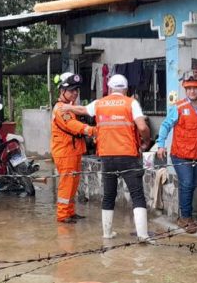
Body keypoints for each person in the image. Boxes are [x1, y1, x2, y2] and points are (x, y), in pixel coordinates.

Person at [62, 74, 152, 240]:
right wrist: (146, 141)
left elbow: (83, 110)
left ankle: (107, 233)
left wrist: (67, 108)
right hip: (128, 155)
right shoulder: (131, 103)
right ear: (125, 90)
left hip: (106, 156)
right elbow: (142, 126)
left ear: (109, 89)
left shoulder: (100, 103)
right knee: (137, 195)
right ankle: (143, 235)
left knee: (109, 195)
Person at [156, 69, 197, 234]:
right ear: (185, 89)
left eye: (195, 88)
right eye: (189, 88)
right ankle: (186, 217)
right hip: (180, 154)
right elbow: (165, 126)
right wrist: (161, 144)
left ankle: (183, 214)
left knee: (193, 184)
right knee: (186, 183)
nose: (192, 91)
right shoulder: (178, 107)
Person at [51, 73, 95, 223]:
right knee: (67, 183)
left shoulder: (70, 108)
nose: (75, 93)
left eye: (76, 90)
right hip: (65, 152)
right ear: (62, 91)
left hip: (72, 150)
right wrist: (91, 130)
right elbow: (72, 125)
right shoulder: (61, 109)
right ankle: (63, 215)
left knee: (73, 183)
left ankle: (69, 211)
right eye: (71, 90)